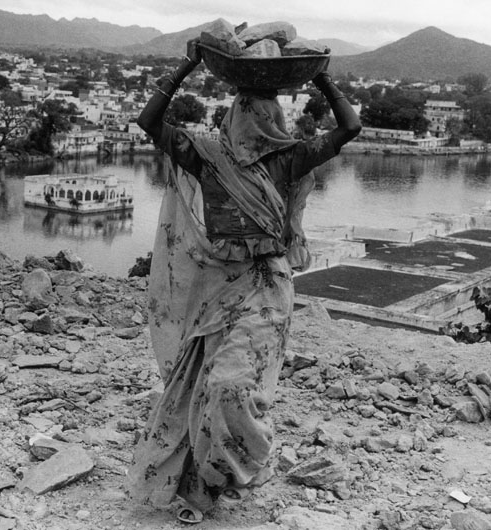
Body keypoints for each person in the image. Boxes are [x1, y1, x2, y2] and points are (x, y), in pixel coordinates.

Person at [127, 38, 361, 524]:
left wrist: (320, 75)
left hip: (267, 287)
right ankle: (202, 488)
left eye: (268, 116)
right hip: (217, 286)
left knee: (230, 388)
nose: (259, 124)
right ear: (234, 116)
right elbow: (149, 123)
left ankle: (246, 464)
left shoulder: (287, 161)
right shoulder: (207, 158)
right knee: (199, 389)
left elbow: (350, 128)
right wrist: (187, 65)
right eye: (250, 113)